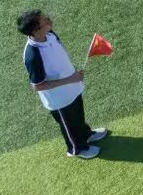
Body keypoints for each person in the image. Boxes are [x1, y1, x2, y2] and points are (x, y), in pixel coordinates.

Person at [17, 10, 108, 159]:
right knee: (69, 124)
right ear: (35, 31)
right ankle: (76, 149)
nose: (49, 20)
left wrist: (72, 76)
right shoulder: (33, 55)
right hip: (59, 99)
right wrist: (70, 79)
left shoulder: (50, 34)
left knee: (78, 115)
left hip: (72, 87)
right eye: (45, 21)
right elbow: (37, 86)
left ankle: (86, 134)